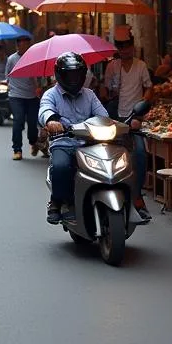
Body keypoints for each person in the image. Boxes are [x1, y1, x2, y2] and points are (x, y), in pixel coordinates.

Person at [39, 52, 110, 225]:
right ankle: (57, 201)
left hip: (89, 144)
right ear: (60, 75)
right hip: (63, 143)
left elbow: (104, 116)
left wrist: (110, 124)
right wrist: (51, 121)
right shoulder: (51, 94)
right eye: (69, 74)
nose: (74, 78)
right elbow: (44, 110)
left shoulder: (90, 95)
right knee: (61, 166)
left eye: (77, 74)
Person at [103, 25, 154, 221]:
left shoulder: (140, 66)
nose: (124, 50)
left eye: (127, 46)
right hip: (116, 118)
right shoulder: (112, 66)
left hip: (135, 118)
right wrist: (109, 95)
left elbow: (149, 88)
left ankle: (137, 196)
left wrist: (144, 104)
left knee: (140, 154)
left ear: (132, 47)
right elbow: (105, 91)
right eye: (120, 46)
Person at [6, 35, 40, 161]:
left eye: (27, 44)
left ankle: (33, 142)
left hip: (31, 96)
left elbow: (36, 75)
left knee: (32, 123)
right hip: (16, 96)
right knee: (18, 120)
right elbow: (7, 75)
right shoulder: (11, 59)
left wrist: (38, 87)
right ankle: (17, 149)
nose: (25, 47)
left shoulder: (33, 58)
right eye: (22, 44)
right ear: (18, 46)